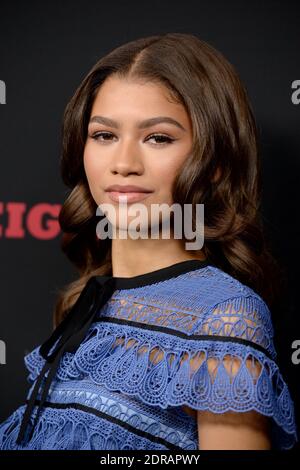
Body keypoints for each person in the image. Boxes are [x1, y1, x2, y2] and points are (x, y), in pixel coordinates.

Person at [0, 32, 297, 450]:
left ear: (213, 162)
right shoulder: (86, 298)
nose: (123, 164)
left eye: (158, 138)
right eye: (104, 135)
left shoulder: (224, 317)